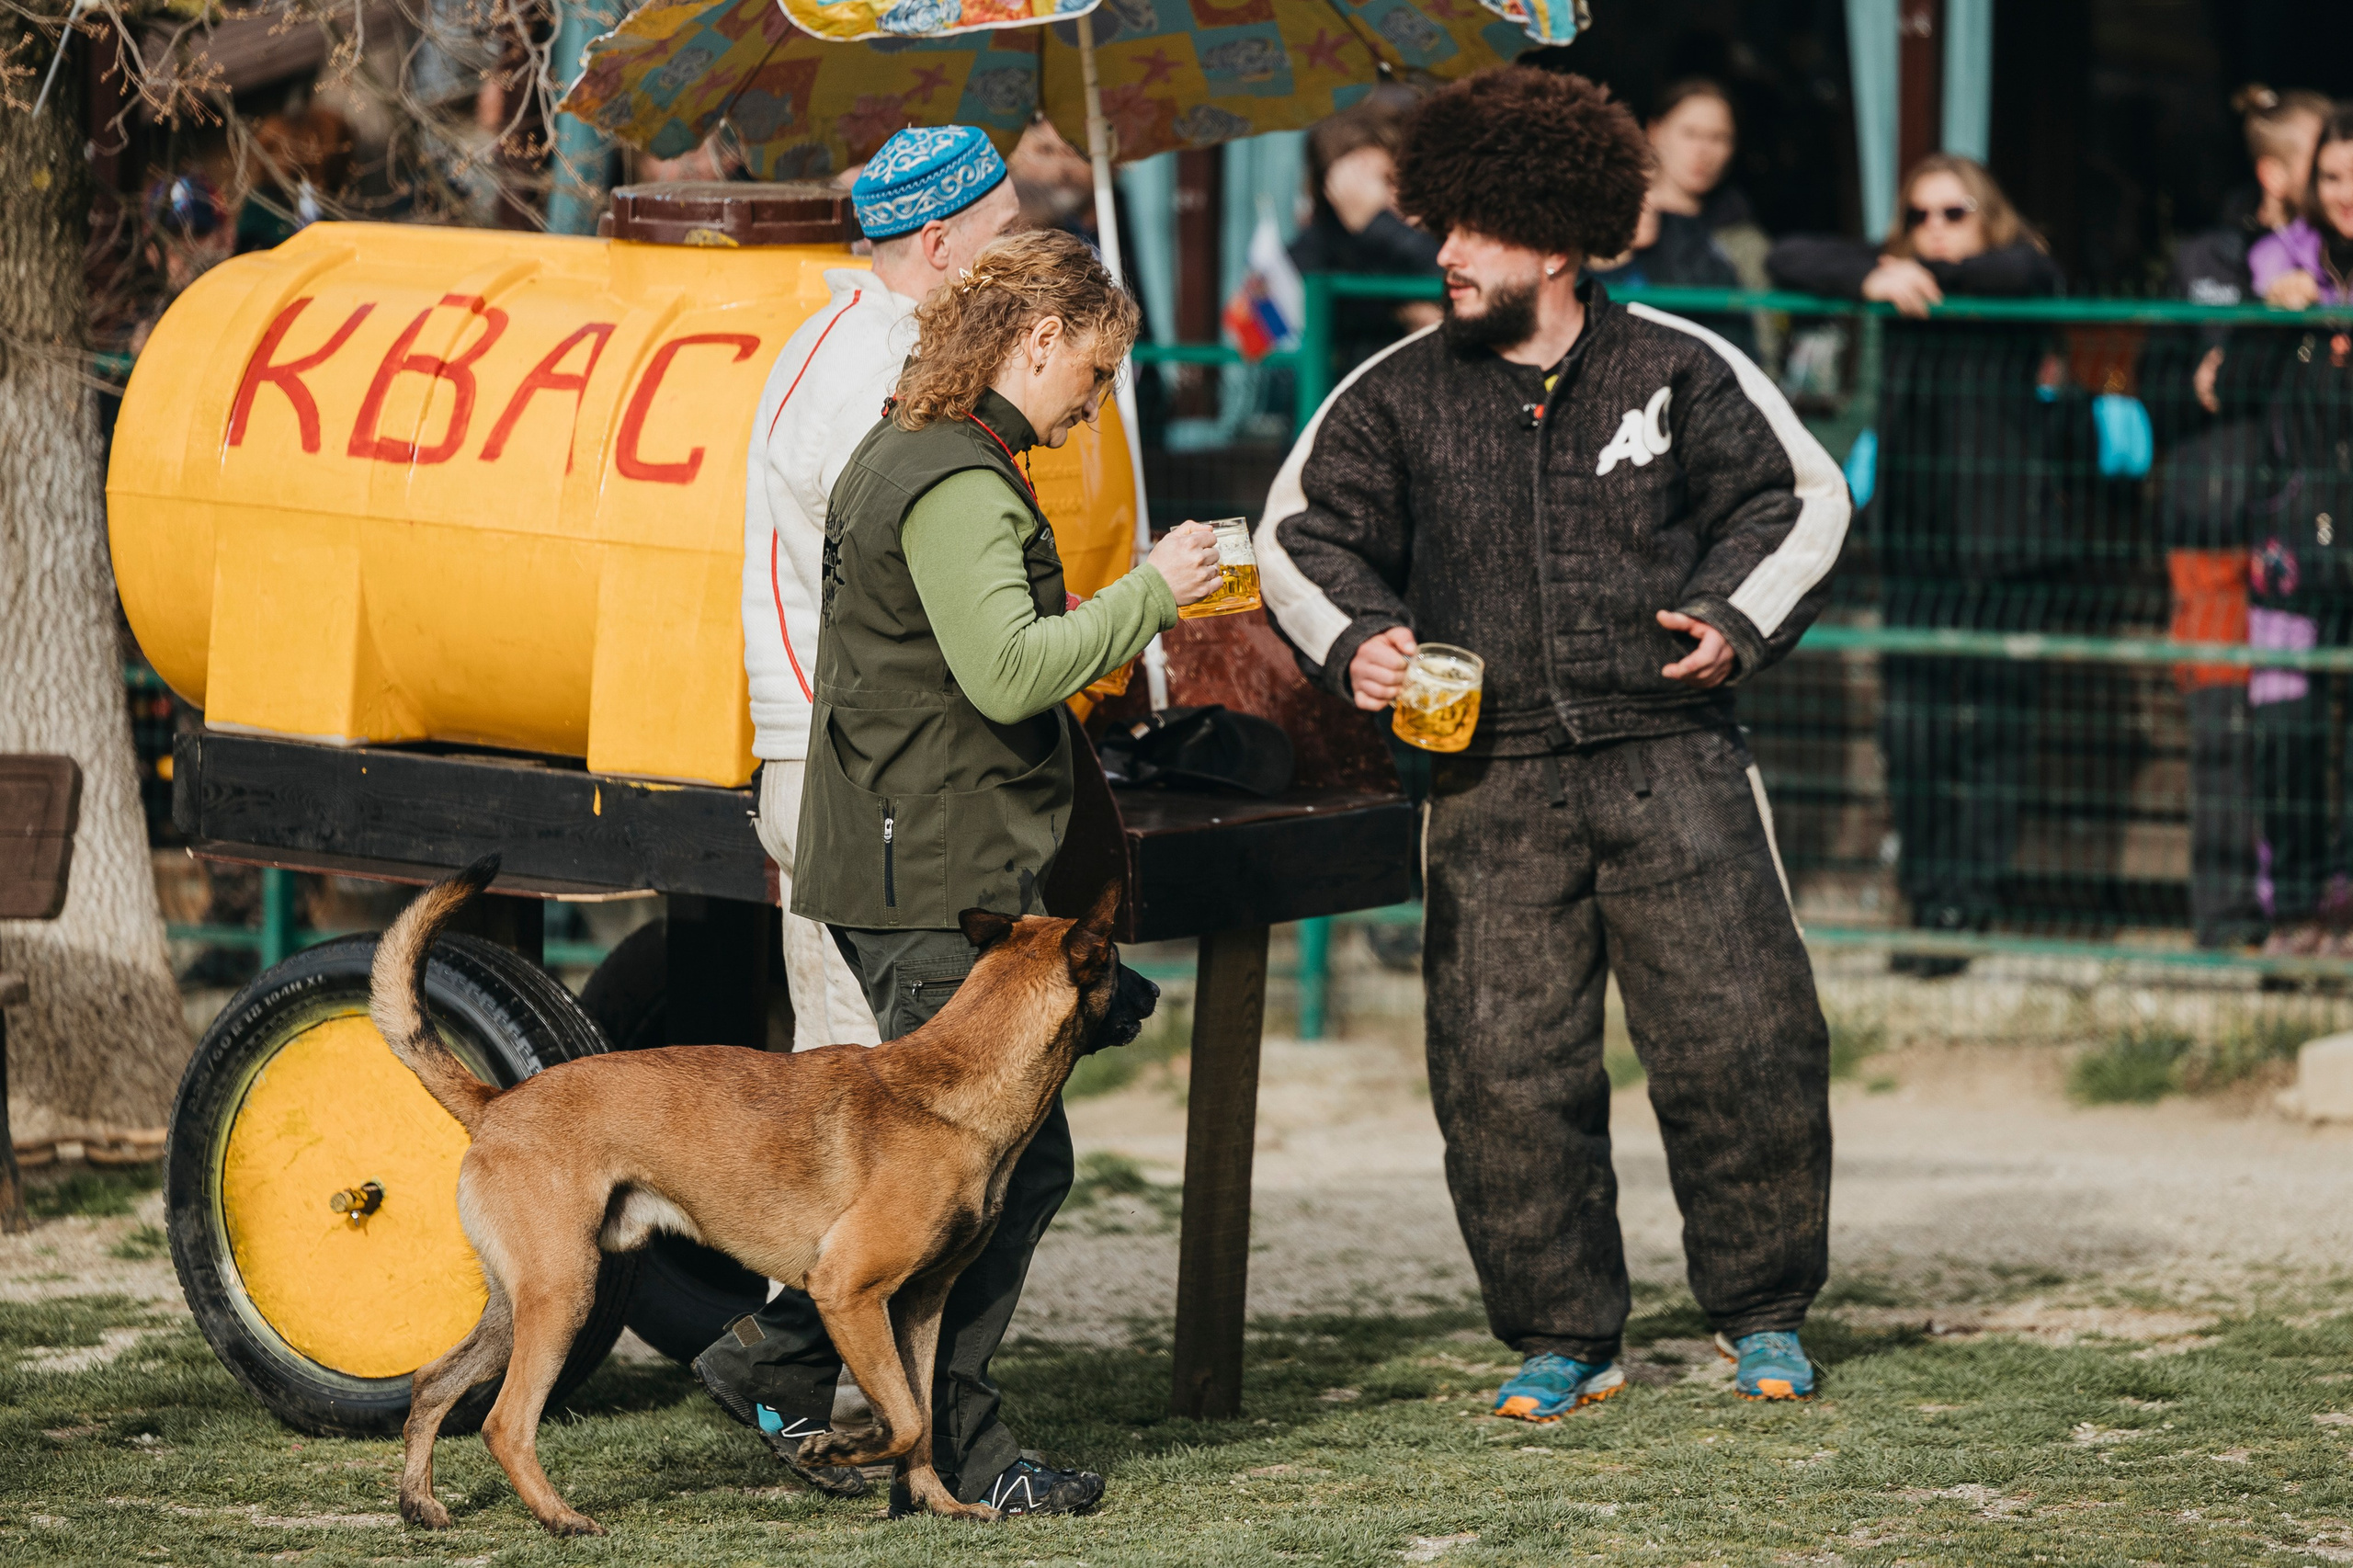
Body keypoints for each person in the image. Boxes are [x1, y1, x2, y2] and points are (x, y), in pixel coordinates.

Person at [1256, 66, 1847, 1413]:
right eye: (1440, 223)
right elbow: (1301, 533)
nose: (1447, 252)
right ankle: (1561, 1334)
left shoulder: (1685, 364)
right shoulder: (1391, 392)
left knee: (1745, 1041)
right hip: (1487, 774)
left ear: (1563, 238)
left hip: (1677, 756)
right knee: (1503, 1067)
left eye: (1479, 227)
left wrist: (1731, 615)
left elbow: (1797, 497)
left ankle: (1762, 1313)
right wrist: (1359, 638)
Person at [705, 224, 1225, 1516]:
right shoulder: (957, 483)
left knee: (942, 1175)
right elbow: (1009, 668)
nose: (1096, 406)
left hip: (903, 854)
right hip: (924, 874)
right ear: (1036, 340)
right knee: (1004, 1170)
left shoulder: (912, 445)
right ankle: (957, 1455)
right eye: (1094, 375)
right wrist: (1153, 592)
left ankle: (773, 1361)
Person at [739, 125, 1020, 1058]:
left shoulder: (827, 337)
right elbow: (908, 569)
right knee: (882, 1091)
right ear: (941, 244)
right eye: (1002, 229)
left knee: (836, 1077)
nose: (1015, 253)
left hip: (824, 753)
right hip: (860, 766)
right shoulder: (886, 368)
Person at [1769, 156, 2067, 974]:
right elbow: (1786, 258)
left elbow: (2031, 267)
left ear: (1989, 217)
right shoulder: (1894, 271)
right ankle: (1927, 898)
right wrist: (1875, 270)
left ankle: (1969, 905)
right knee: (1917, 730)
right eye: (1921, 215)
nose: (1936, 228)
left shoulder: (2017, 270)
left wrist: (1913, 270)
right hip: (1917, 536)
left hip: (2008, 541)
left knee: (1994, 731)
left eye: (1955, 213)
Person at [2146, 86, 2329, 949]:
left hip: (2311, 527)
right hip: (2219, 522)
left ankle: (2305, 908)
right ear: (2278, 171)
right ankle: (2227, 924)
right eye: (2318, 162)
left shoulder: (2338, 267)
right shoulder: (2206, 262)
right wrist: (2206, 376)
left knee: (2303, 730)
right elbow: (2158, 386)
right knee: (2224, 726)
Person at [2245, 105, 2353, 953]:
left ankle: (2346, 904)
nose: (2347, 194)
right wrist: (2278, 313)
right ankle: (2290, 904)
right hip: (2293, 530)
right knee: (2284, 729)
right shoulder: (2280, 265)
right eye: (2333, 177)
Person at [1287, 98, 1444, 373]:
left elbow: (1440, 270)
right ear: (1336, 188)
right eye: (1386, 180)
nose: (1396, 195)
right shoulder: (1319, 248)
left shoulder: (1429, 232)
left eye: (1401, 179)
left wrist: (1377, 225)